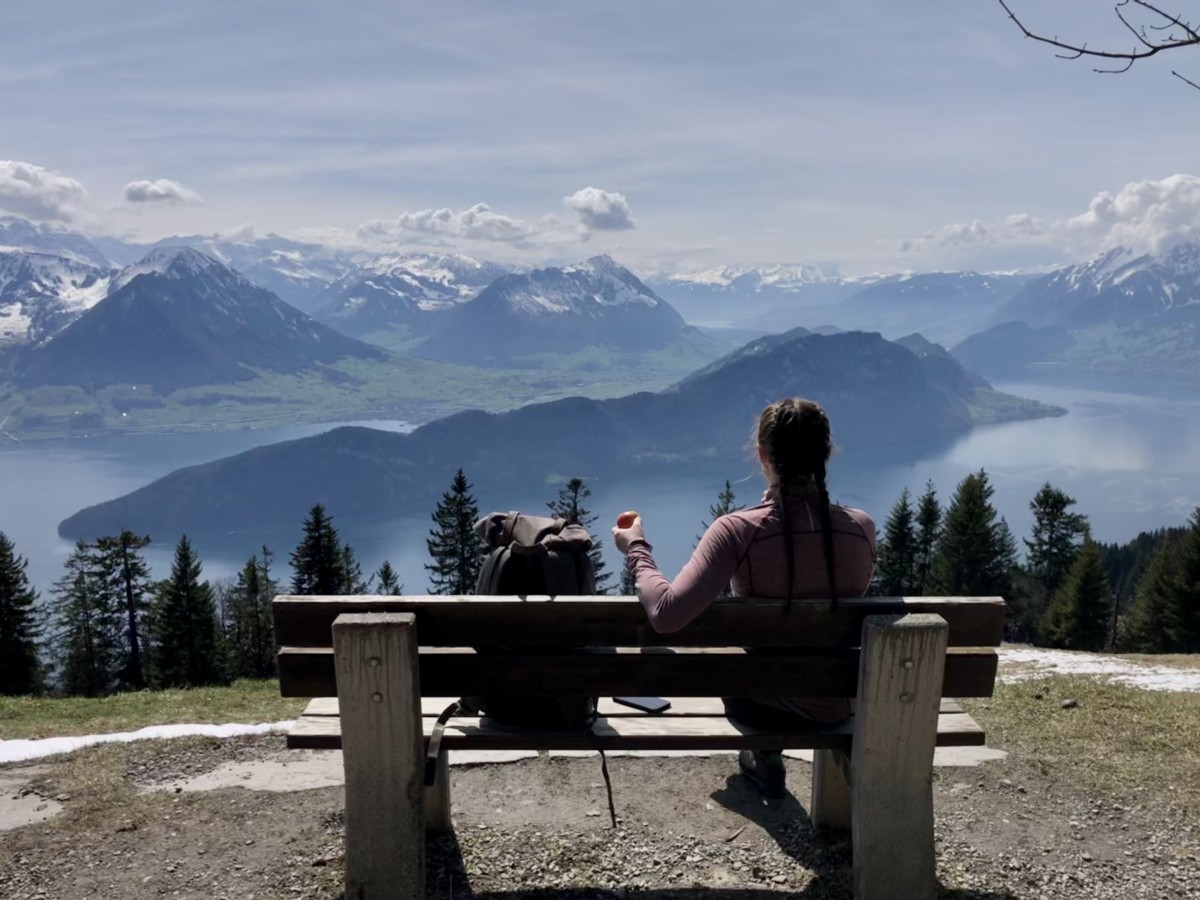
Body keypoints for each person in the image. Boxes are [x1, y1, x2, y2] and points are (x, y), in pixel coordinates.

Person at [612, 397, 876, 798]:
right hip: (843, 703)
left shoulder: (737, 530)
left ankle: (763, 752)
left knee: (736, 670)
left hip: (762, 705)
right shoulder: (861, 528)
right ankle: (764, 752)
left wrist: (636, 548)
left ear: (762, 455)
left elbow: (666, 614)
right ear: (826, 454)